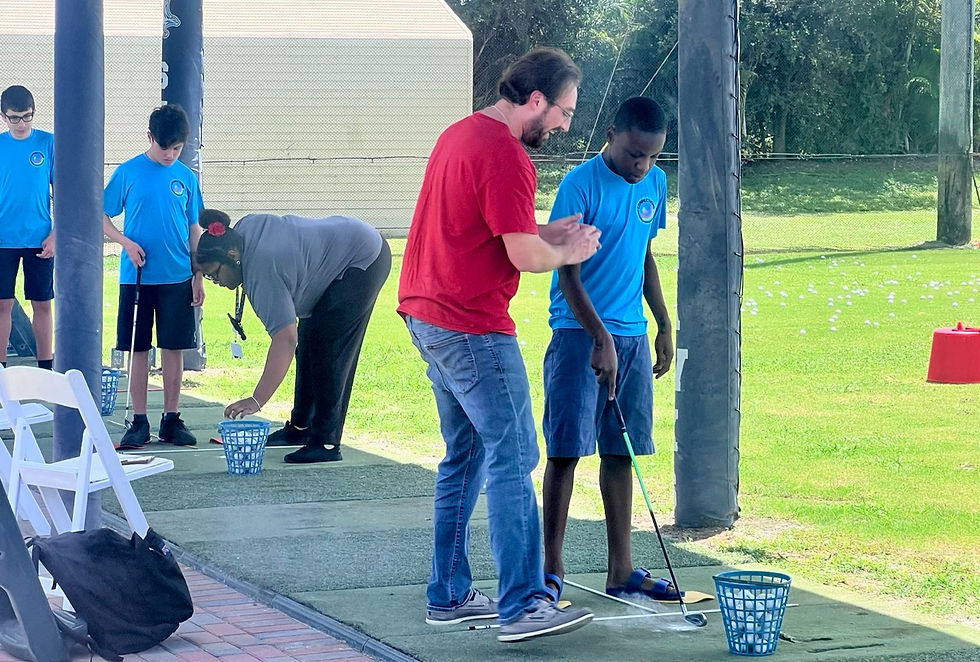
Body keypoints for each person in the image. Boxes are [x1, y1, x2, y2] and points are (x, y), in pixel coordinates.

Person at [398, 47, 599, 643]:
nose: (564, 125)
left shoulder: (461, 134)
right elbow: (522, 256)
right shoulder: (509, 156)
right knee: (513, 456)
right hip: (472, 325)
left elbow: (488, 226)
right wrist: (567, 250)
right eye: (562, 112)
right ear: (535, 100)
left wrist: (544, 231)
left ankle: (451, 594)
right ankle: (523, 606)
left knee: (466, 458)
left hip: (427, 317)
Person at [540, 97, 676, 605]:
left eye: (653, 157)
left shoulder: (654, 184)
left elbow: (644, 254)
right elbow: (566, 270)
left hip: (633, 336)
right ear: (613, 134)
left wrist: (663, 323)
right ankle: (550, 571)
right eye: (635, 154)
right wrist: (599, 337)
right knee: (566, 450)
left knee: (623, 453)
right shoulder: (580, 185)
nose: (642, 166)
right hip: (579, 334)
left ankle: (621, 570)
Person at [196, 209, 390, 464]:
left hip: (362, 258)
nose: (215, 281)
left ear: (232, 257)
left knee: (329, 349)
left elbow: (285, 339)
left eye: (214, 274)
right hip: (337, 250)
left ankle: (326, 441)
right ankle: (300, 428)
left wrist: (257, 399)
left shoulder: (262, 270)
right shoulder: (239, 235)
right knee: (309, 348)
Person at [103, 104, 204, 450]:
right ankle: (139, 421)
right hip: (137, 277)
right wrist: (125, 243)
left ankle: (172, 419)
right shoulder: (129, 172)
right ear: (149, 138)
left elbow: (194, 229)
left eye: (177, 149)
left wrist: (198, 274)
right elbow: (100, 215)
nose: (170, 155)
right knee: (139, 348)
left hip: (177, 276)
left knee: (173, 347)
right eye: (165, 148)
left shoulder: (187, 178)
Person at [0, 86, 54, 370]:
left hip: (39, 239)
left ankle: (46, 367)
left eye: (27, 117)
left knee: (42, 303)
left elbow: (64, 191)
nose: (21, 124)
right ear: (3, 117)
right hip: (3, 240)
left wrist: (56, 235)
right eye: (14, 118)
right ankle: (1, 370)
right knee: (3, 305)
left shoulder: (48, 143)